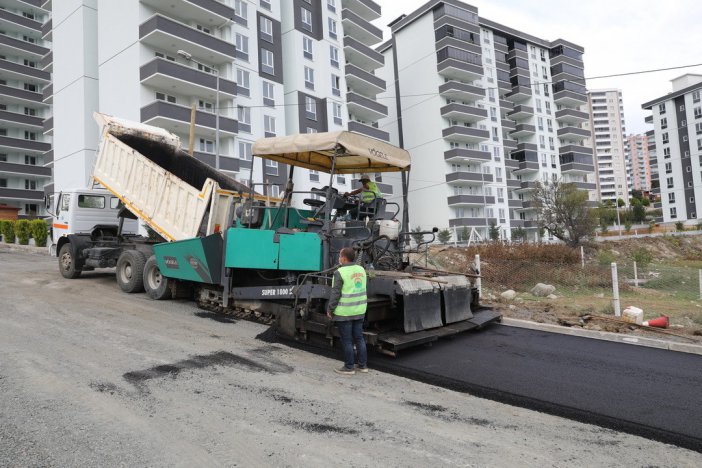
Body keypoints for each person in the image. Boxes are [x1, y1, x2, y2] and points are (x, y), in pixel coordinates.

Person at [327, 247, 368, 375]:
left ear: (344, 258)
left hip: (345, 312)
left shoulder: (340, 272)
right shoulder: (361, 269)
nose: (339, 258)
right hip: (359, 310)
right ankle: (362, 366)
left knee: (347, 340)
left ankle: (349, 367)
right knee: (359, 338)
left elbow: (335, 294)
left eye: (340, 255)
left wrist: (330, 309)